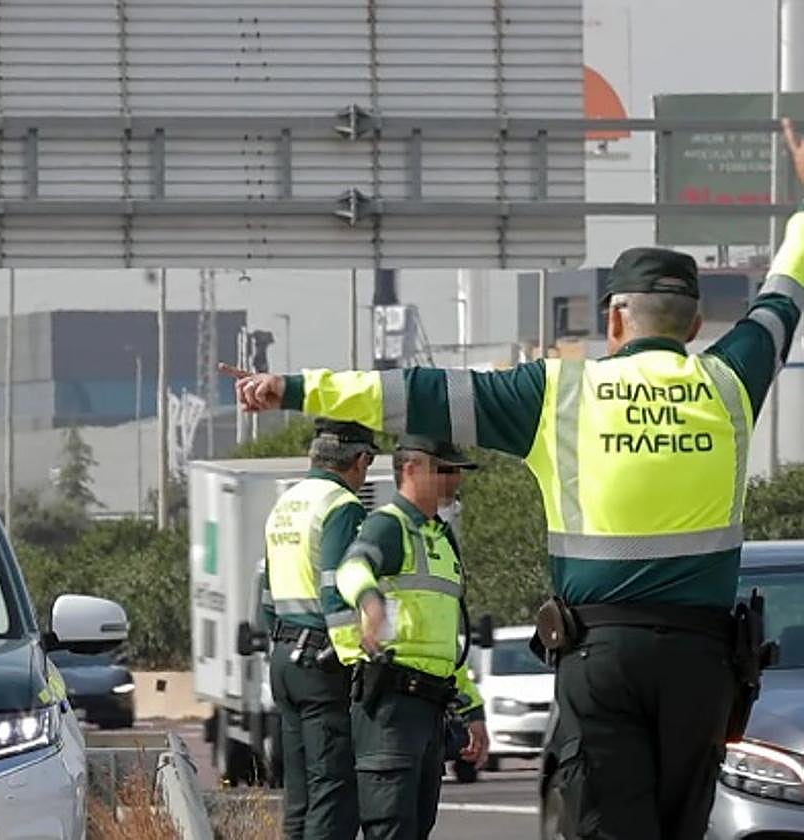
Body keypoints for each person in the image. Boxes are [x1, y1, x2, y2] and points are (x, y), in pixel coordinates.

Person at [223, 119, 804, 840]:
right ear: (692, 325)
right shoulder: (731, 381)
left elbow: (417, 392)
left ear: (615, 318)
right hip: (703, 664)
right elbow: (783, 296)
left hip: (602, 661)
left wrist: (292, 388)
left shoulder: (557, 395)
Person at [335, 435, 488, 840]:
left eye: (457, 471)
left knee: (417, 830)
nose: (454, 480)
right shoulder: (389, 525)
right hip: (392, 708)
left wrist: (473, 711)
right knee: (391, 829)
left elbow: (447, 642)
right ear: (411, 469)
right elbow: (352, 567)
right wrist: (370, 604)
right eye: (445, 470)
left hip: (432, 709)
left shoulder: (442, 538)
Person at [258, 418, 378, 839]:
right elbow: (336, 586)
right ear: (361, 460)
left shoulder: (286, 505)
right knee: (333, 790)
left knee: (300, 794)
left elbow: (267, 597)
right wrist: (356, 657)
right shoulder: (341, 505)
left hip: (284, 658)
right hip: (323, 664)